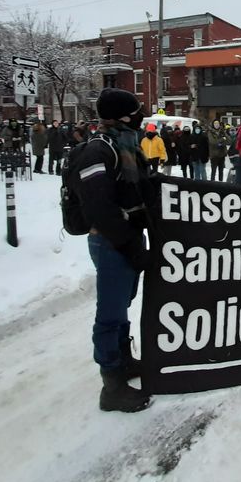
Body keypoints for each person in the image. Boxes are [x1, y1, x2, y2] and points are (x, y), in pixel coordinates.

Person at [69, 88, 153, 413]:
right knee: (110, 312)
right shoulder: (98, 150)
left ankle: (124, 360)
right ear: (122, 116)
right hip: (110, 241)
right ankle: (111, 384)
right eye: (137, 110)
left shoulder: (127, 145)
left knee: (123, 303)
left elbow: (135, 189)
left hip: (128, 237)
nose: (141, 114)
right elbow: (98, 206)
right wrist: (128, 244)